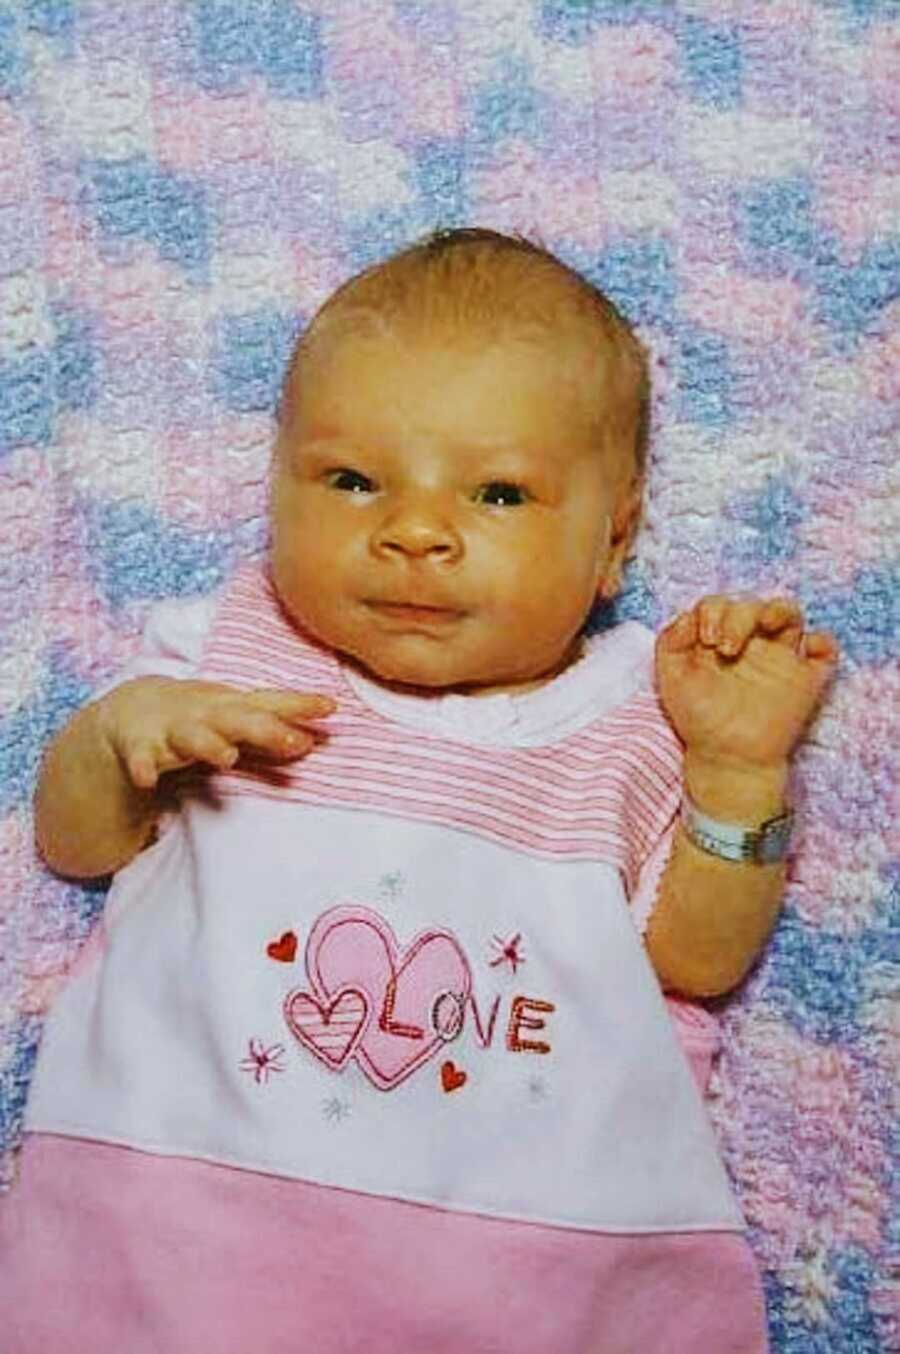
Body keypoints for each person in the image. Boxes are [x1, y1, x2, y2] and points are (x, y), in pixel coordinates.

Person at [2, 229, 838, 1353]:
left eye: (497, 493)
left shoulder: (639, 716)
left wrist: (737, 771)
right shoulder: (224, 661)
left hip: (535, 1259)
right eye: (351, 480)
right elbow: (75, 846)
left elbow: (694, 962)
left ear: (614, 542)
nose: (413, 531)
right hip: (180, 1230)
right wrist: (116, 739)